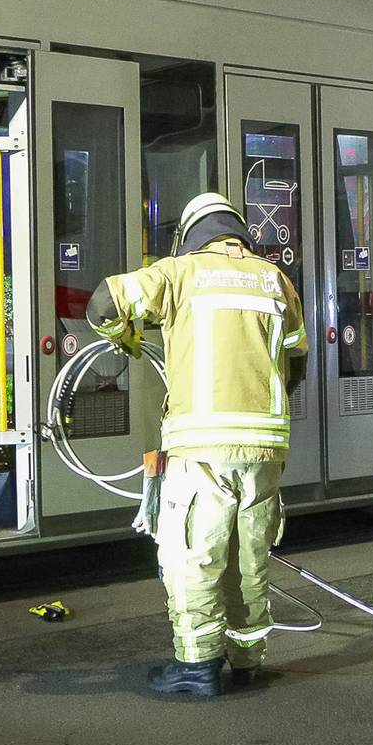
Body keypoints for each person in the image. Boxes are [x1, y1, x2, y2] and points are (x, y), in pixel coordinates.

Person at [86, 192, 308, 697]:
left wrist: (124, 335)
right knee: (248, 557)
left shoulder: (178, 273)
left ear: (190, 234)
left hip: (202, 447)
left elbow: (102, 302)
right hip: (265, 449)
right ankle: (247, 658)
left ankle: (196, 667)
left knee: (193, 555)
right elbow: (297, 357)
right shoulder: (275, 279)